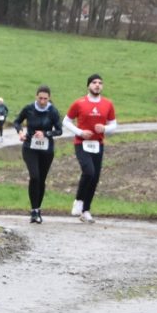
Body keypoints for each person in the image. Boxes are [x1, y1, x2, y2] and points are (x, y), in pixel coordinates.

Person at [63, 73, 117, 224]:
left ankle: (85, 211)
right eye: (94, 82)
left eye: (100, 83)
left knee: (95, 177)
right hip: (81, 143)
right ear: (88, 86)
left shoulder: (108, 104)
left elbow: (114, 124)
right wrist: (80, 132)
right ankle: (78, 201)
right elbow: (66, 121)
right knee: (89, 171)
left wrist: (104, 128)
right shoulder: (79, 103)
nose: (97, 85)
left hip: (98, 144)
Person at [13, 85, 63, 224]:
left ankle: (37, 209)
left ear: (49, 98)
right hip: (30, 147)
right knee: (34, 176)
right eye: (40, 98)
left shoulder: (53, 111)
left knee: (41, 179)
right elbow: (17, 121)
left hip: (46, 150)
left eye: (45, 99)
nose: (42, 101)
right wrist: (20, 132)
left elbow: (59, 131)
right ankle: (34, 210)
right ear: (36, 96)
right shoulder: (29, 109)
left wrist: (46, 133)